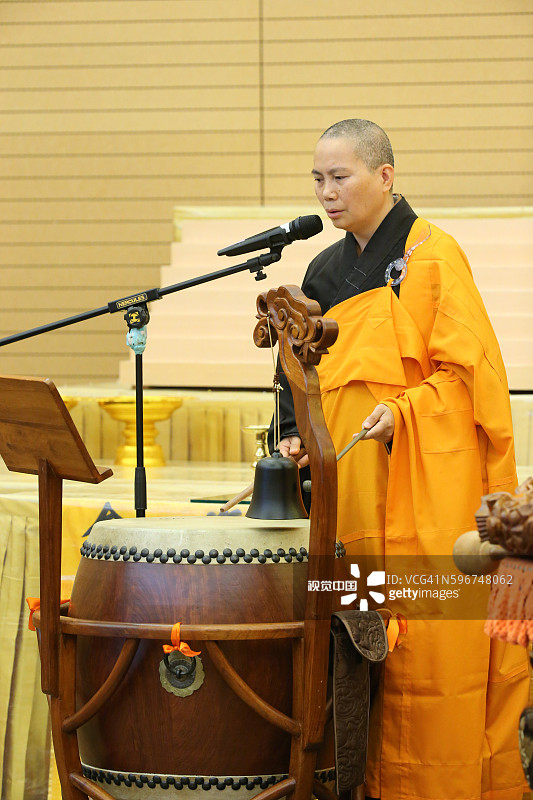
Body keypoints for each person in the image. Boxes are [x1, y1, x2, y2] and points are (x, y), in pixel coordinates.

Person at [271, 119, 530, 800]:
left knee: (433, 646)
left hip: (425, 491)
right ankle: (361, 783)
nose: (326, 194)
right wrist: (292, 434)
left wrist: (405, 409)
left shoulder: (432, 254)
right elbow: (297, 375)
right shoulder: (321, 271)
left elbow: (465, 376)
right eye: (317, 180)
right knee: (360, 640)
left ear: (384, 177)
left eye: (340, 177)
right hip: (350, 498)